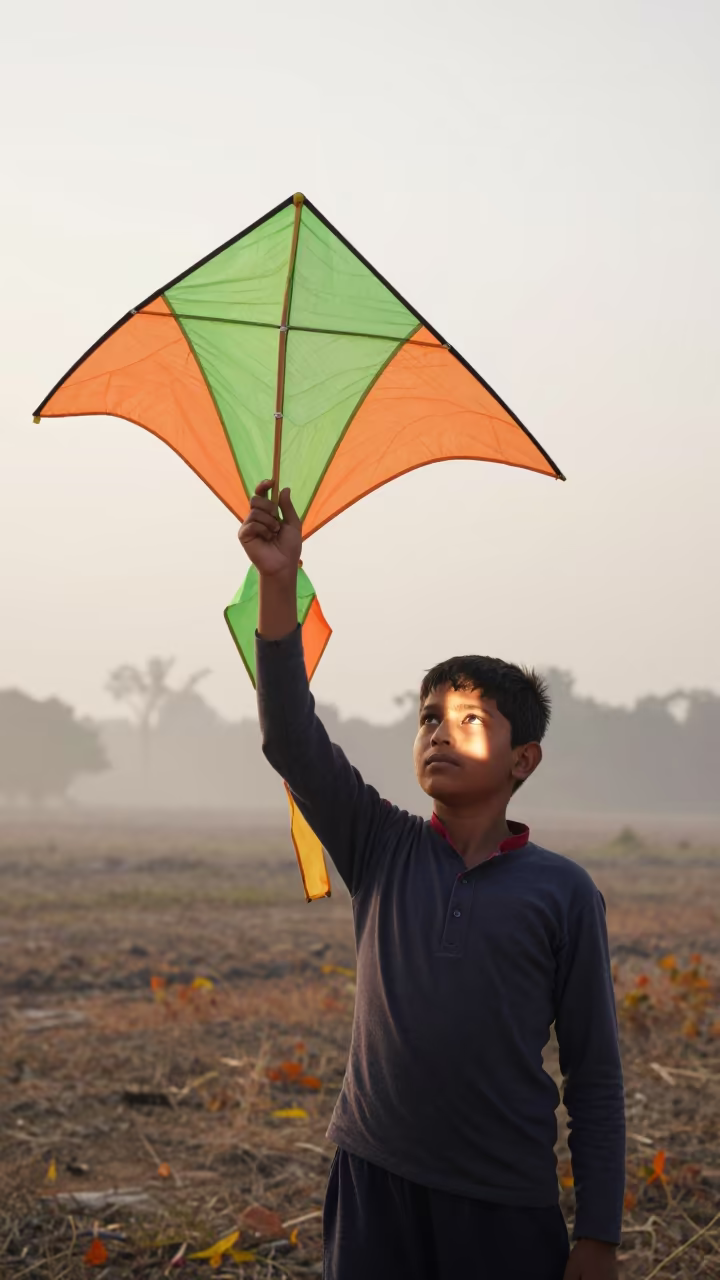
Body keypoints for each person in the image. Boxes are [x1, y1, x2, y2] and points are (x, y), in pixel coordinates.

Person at [239, 480, 626, 1280]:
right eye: (428, 718)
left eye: (470, 720)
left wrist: (598, 1233)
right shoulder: (380, 843)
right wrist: (280, 582)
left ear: (524, 761)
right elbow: (290, 737)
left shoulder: (562, 893)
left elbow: (592, 1072)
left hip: (503, 1205)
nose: (440, 733)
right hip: (373, 1179)